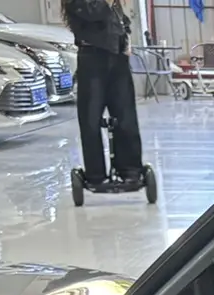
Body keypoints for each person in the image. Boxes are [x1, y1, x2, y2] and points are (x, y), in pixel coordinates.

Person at [61, 0, 144, 189]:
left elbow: (121, 20)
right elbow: (94, 13)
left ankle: (130, 170)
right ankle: (95, 175)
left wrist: (126, 38)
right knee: (91, 120)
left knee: (126, 117)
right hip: (92, 59)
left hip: (118, 59)